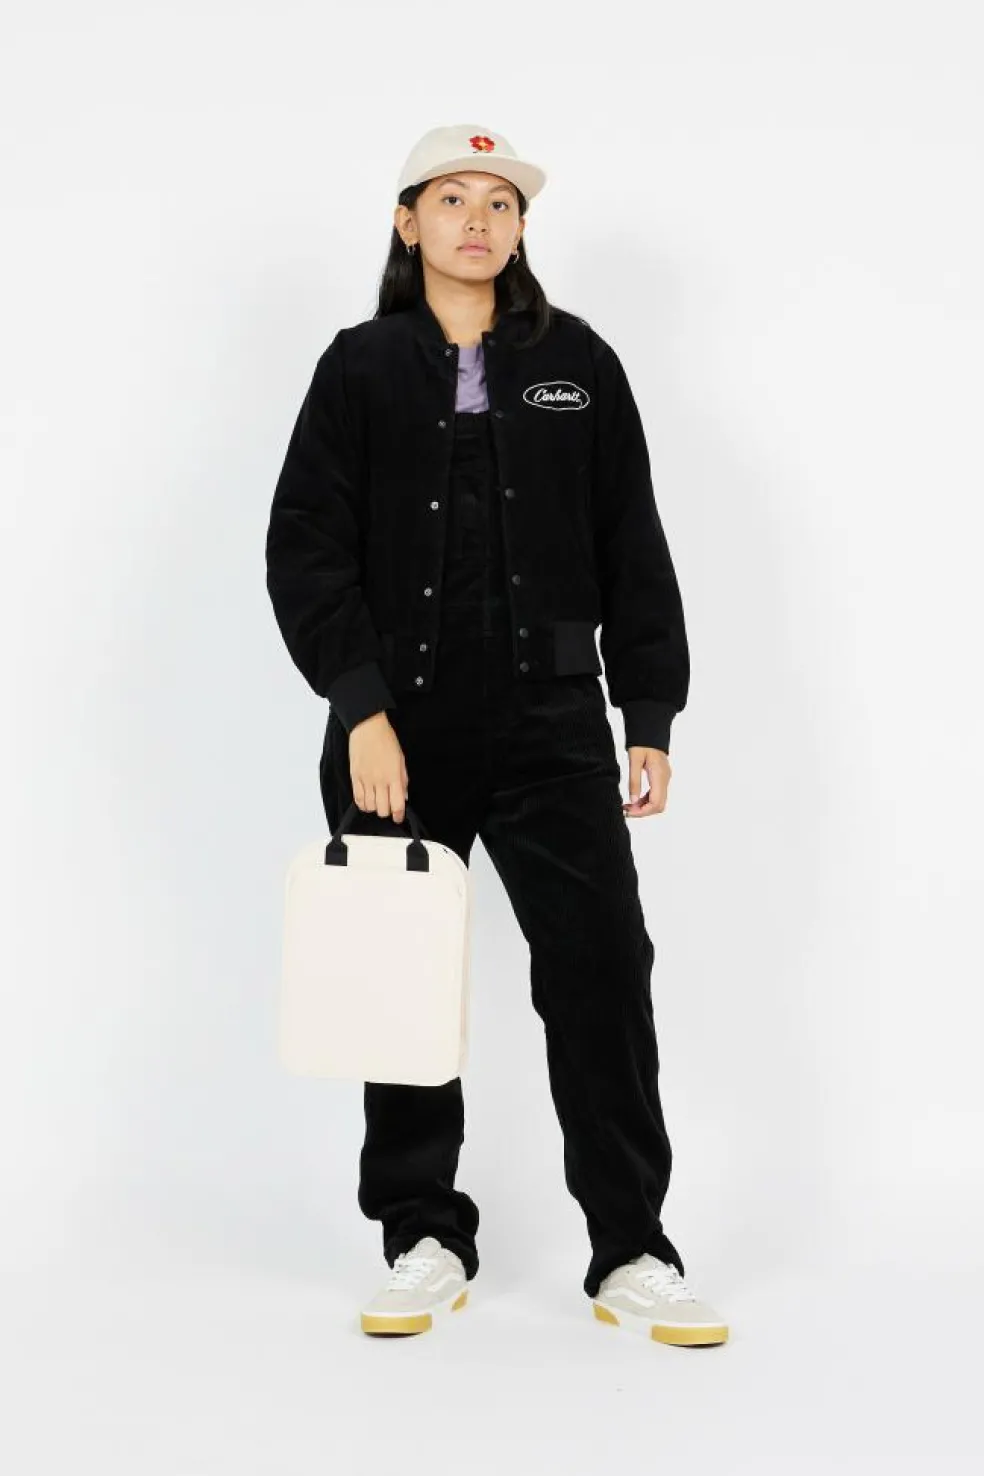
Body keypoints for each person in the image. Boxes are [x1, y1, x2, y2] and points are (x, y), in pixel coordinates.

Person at [266, 123, 729, 1347]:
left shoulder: (576, 363)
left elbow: (632, 538)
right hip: (398, 728)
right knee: (398, 979)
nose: (479, 220)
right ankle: (423, 1235)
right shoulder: (360, 366)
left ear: (521, 230)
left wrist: (648, 711)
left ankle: (632, 1249)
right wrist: (362, 709)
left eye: (502, 203)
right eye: (452, 199)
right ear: (407, 221)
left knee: (601, 971)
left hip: (552, 724)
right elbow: (305, 549)